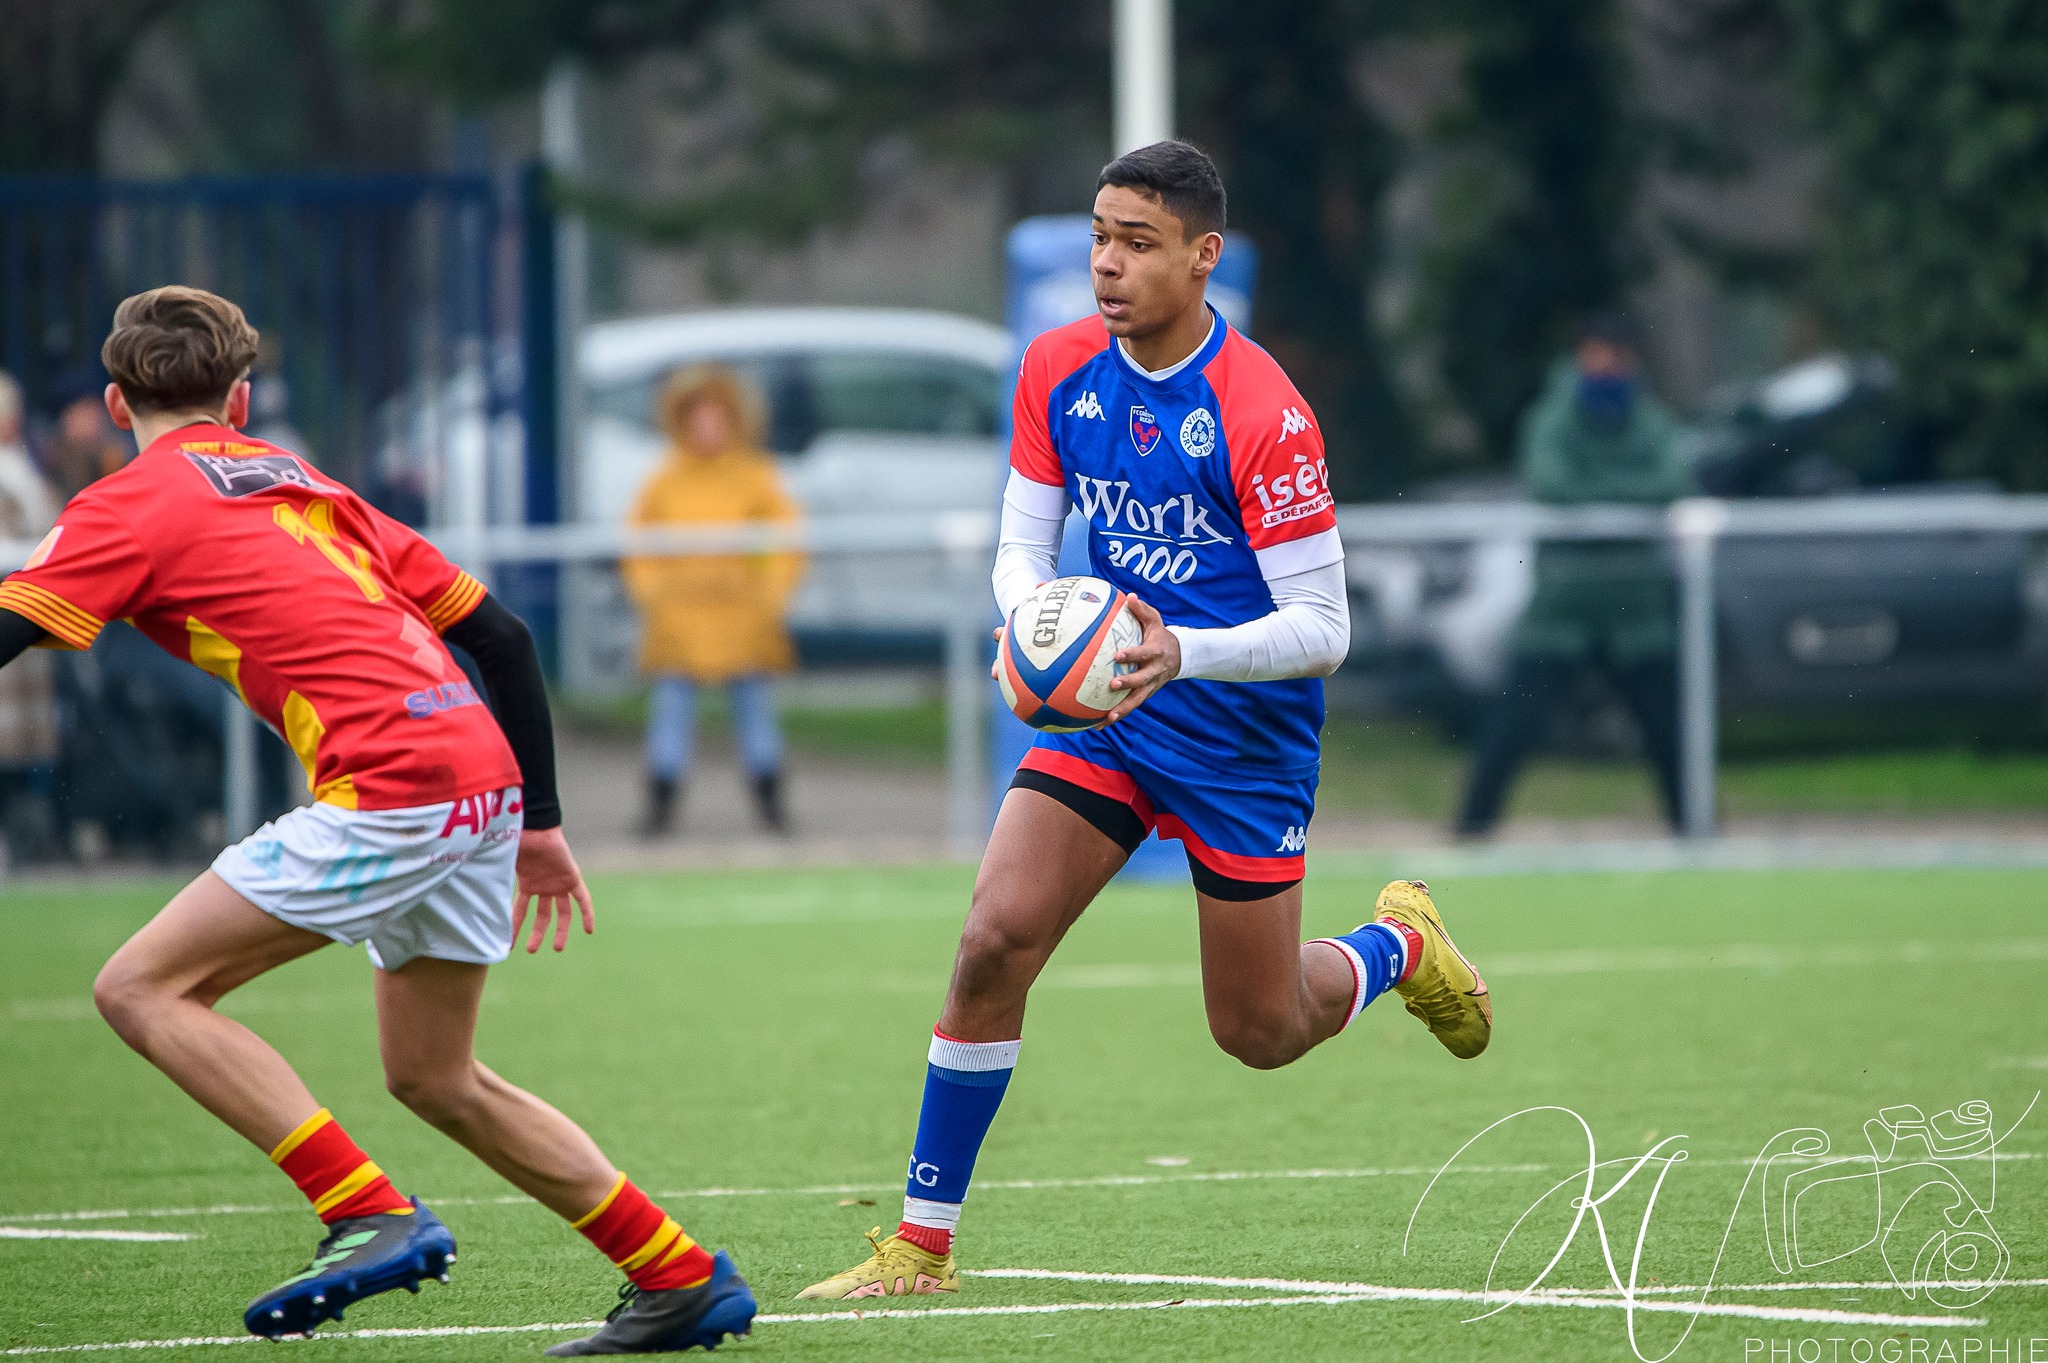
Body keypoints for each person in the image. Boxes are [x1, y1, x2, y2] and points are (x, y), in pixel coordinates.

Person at [796, 141, 1493, 1302]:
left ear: (1202, 256)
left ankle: (1399, 947)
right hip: (1110, 716)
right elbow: (1020, 547)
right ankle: (919, 1245)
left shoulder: (1262, 412)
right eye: (1097, 237)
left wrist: (1184, 654)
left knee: (1260, 1030)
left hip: (1240, 741)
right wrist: (1029, 625)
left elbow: (1323, 628)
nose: (1107, 264)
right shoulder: (1057, 367)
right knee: (991, 940)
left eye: (1137, 242)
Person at [0, 287, 755, 1355]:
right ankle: (676, 1274)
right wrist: (539, 822)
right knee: (436, 1076)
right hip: (481, 778)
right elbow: (502, 637)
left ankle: (365, 1210)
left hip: (393, 788)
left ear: (118, 405)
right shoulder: (302, 480)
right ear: (241, 399)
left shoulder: (122, 506)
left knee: (140, 987)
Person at [1454, 314, 1693, 838]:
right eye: (1598, 354)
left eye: (1617, 356)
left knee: (1667, 731)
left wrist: (1597, 499)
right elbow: (1553, 485)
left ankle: (1697, 831)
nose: (1607, 367)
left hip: (1635, 607)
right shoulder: (1551, 419)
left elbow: (1671, 481)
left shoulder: (1651, 419)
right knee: (1514, 726)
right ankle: (1471, 833)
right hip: (1562, 606)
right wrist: (1625, 501)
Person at [621, 365, 803, 837]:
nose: (708, 429)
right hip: (680, 618)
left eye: (717, 419)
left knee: (755, 714)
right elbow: (640, 545)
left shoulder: (754, 476)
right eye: (699, 419)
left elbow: (785, 540)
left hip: (740, 616)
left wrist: (769, 595)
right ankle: (660, 805)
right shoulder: (665, 480)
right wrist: (654, 595)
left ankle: (771, 803)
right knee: (671, 714)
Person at [0, 371, 60, 861]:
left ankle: (22, 839)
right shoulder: (15, 471)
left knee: (21, 751)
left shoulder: (21, 468)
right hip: (16, 617)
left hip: (27, 623)